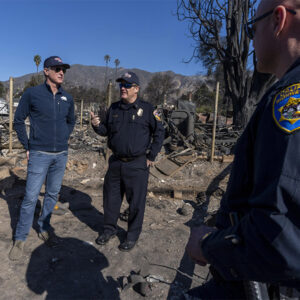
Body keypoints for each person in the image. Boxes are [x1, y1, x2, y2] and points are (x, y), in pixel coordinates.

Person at [185, 0, 300, 298]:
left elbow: (281, 235)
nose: (249, 40)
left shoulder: (291, 100)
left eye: (252, 28)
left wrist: (209, 246)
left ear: (278, 20)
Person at [9, 56, 75, 261]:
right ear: (46, 71)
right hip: (39, 154)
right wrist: (28, 146)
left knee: (52, 194)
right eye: (57, 68)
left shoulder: (67, 98)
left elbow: (71, 121)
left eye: (63, 69)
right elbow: (18, 120)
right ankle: (20, 238)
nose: (61, 72)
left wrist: (63, 137)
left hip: (61, 155)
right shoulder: (33, 94)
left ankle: (44, 228)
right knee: (30, 197)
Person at [91, 71, 164, 252]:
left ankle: (132, 236)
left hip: (137, 164)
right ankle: (109, 230)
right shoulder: (114, 109)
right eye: (121, 85)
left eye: (127, 85)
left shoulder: (148, 110)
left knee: (136, 203)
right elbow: (105, 131)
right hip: (116, 163)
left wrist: (151, 156)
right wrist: (95, 125)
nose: (123, 88)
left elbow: (160, 133)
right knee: (111, 200)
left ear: (136, 89)